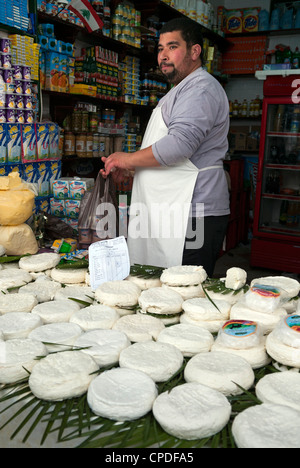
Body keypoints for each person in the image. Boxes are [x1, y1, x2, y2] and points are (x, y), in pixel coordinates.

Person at [100, 17, 230, 277]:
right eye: (160, 49)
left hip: (194, 213)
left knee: (186, 291)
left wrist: (128, 159)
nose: (164, 56)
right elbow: (170, 156)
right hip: (173, 210)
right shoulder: (181, 90)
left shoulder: (199, 89)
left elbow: (179, 146)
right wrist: (135, 171)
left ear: (195, 51)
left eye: (172, 47)